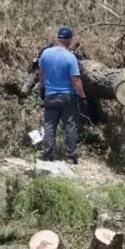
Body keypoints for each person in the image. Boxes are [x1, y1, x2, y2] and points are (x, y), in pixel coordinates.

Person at [38, 26, 85, 164]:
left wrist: (42, 88)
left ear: (58, 38)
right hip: (67, 96)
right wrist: (82, 96)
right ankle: (71, 156)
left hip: (50, 94)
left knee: (49, 125)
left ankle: (47, 155)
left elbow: (40, 73)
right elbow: (75, 80)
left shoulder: (46, 53)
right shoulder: (70, 58)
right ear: (70, 40)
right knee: (70, 126)